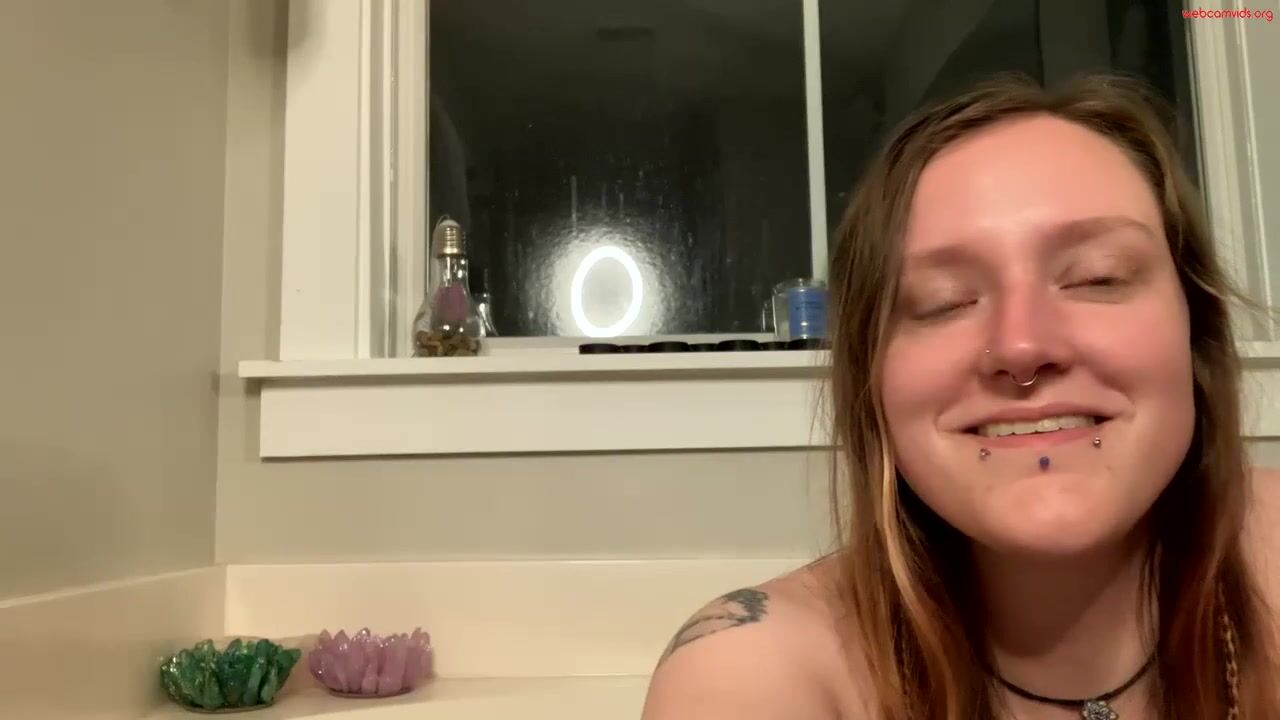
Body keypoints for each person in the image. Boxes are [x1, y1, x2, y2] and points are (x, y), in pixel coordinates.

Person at [640, 72, 1280, 720]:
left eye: (1097, 278)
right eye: (942, 302)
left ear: (1196, 331)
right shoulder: (751, 668)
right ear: (872, 383)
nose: (1021, 346)